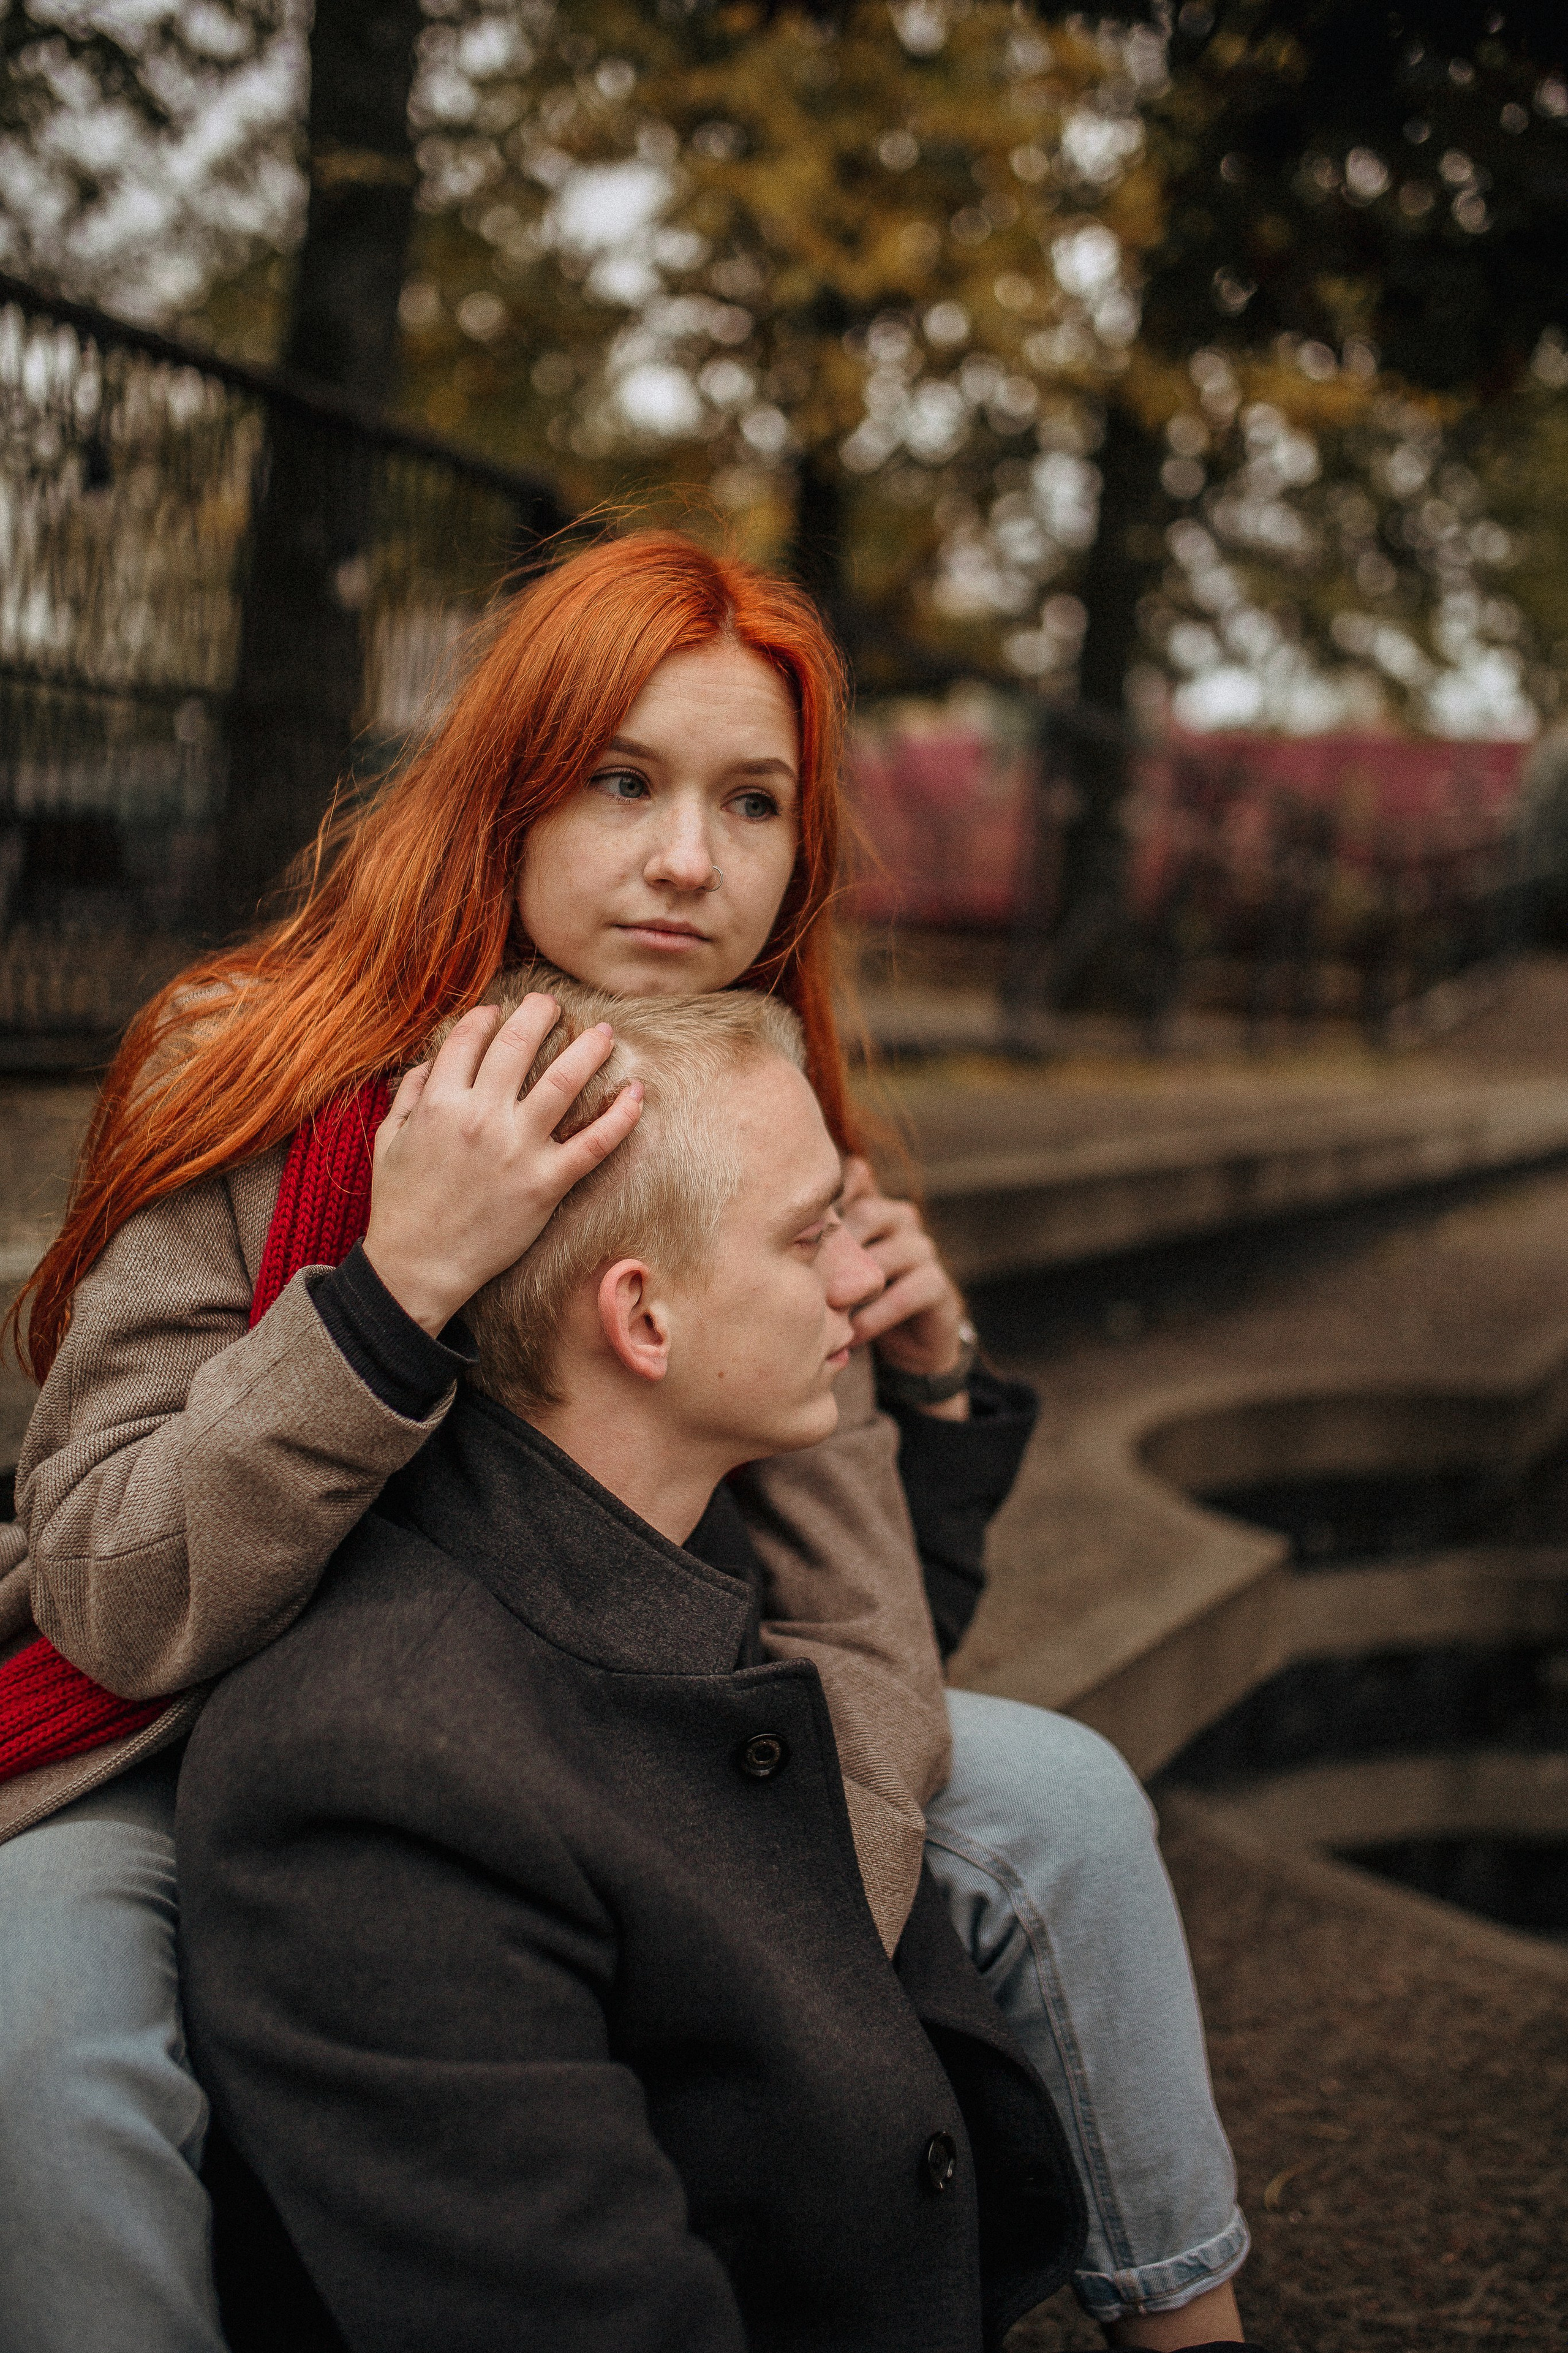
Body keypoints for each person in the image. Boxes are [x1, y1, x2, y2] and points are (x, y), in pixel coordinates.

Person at [0, 531, 1250, 2351]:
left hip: (589, 1725)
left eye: (752, 803)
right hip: (189, 1722)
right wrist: (392, 1286)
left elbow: (856, 1623)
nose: (688, 859)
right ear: (506, 789)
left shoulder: (744, 1096)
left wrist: (762, 1933)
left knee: (1052, 1800)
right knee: (43, 2037)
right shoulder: (254, 1064)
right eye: (621, 781)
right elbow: (113, 1597)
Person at [178, 975, 1098, 2353]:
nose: (860, 1277)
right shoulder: (378, 1768)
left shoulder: (668, 1581)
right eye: (809, 1236)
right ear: (644, 1320)